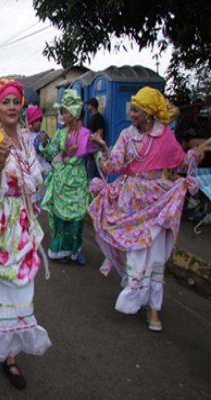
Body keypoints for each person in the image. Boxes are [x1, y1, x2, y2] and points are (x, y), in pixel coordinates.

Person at [88, 87, 211, 332]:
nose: (131, 114)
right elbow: (112, 166)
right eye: (132, 109)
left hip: (158, 201)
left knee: (154, 254)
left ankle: (154, 308)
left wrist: (199, 151)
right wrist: (103, 147)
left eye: (136, 110)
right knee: (134, 251)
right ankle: (135, 293)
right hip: (130, 202)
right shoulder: (126, 136)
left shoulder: (165, 136)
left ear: (148, 113)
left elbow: (181, 163)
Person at [0, 78, 51, 391]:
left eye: (16, 102)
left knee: (20, 292)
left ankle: (11, 356)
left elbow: (36, 180)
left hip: (23, 226)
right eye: (6, 103)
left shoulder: (27, 139)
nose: (12, 107)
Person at [40, 89, 99, 265]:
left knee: (78, 219)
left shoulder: (86, 135)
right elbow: (51, 153)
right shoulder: (60, 134)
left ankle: (75, 251)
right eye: (62, 112)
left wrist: (100, 149)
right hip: (62, 179)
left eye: (64, 111)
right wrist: (44, 143)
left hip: (78, 179)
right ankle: (58, 252)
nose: (62, 115)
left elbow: (96, 154)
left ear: (73, 113)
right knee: (60, 219)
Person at [25, 106, 52, 204]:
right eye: (36, 121)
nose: (38, 124)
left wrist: (44, 143)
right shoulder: (25, 134)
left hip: (42, 169)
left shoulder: (43, 135)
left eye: (40, 121)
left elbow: (50, 153)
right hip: (29, 169)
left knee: (41, 198)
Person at [86, 98, 105, 180]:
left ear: (92, 106)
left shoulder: (98, 118)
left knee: (92, 172)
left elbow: (100, 134)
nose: (87, 107)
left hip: (95, 150)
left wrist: (95, 148)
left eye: (88, 105)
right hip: (90, 150)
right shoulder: (93, 117)